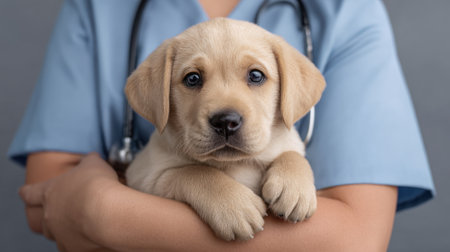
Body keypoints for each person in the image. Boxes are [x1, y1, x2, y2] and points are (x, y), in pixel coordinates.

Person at [10, 0, 434, 251]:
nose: (226, 113)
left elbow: (355, 241)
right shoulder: (97, 8)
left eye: (255, 77)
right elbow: (44, 202)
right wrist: (197, 182)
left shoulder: (348, 10)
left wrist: (104, 213)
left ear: (290, 88)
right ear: (160, 95)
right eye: (193, 80)